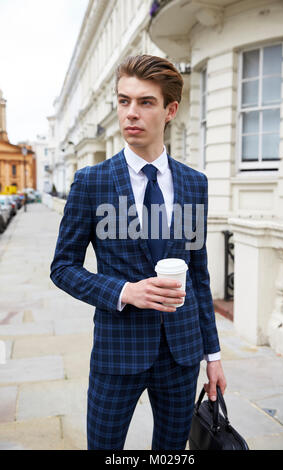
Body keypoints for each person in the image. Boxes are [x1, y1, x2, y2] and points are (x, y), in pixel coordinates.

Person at [50, 54, 226, 450]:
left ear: (170, 110)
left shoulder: (194, 184)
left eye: (145, 102)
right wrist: (123, 292)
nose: (131, 113)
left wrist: (212, 355)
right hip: (118, 352)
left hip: (182, 355)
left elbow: (198, 276)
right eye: (123, 100)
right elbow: (62, 267)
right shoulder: (91, 182)